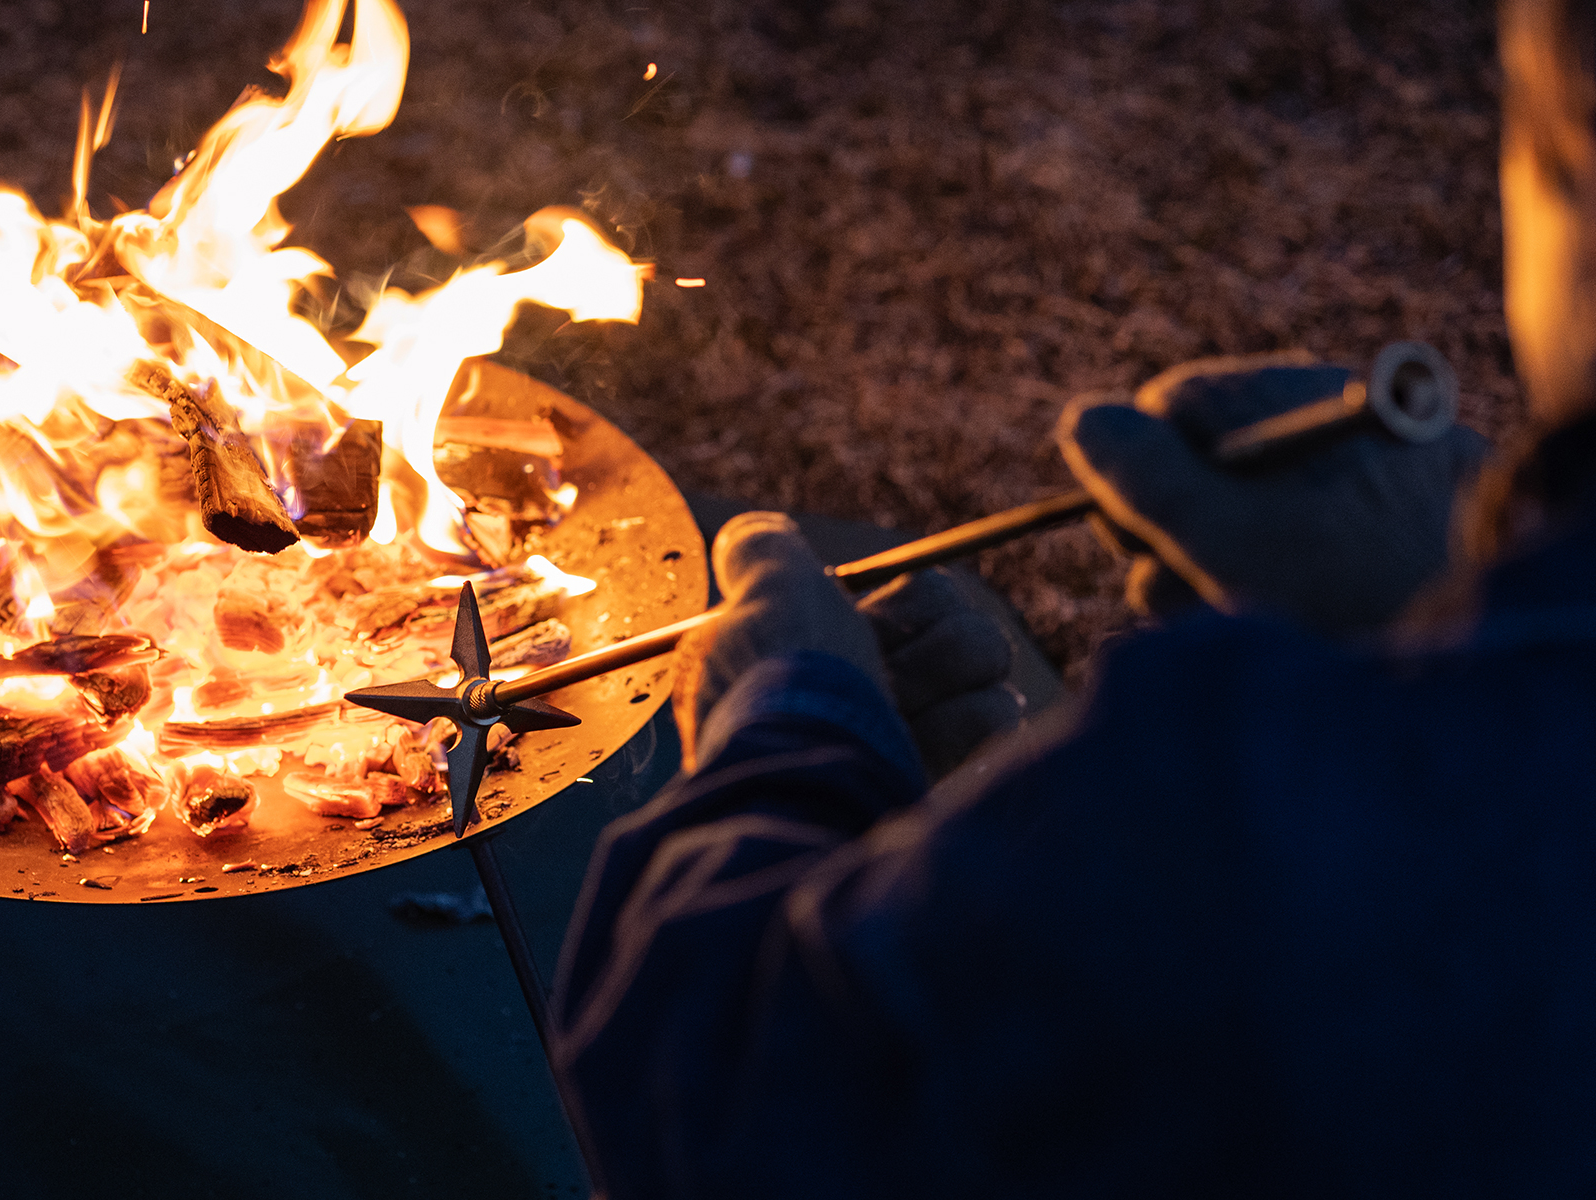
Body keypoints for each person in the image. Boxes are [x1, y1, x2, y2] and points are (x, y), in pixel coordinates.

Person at [552, 1, 1596, 1193]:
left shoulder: (1236, 798)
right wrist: (1452, 590)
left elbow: (722, 1103)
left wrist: (790, 739)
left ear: (1561, 168)